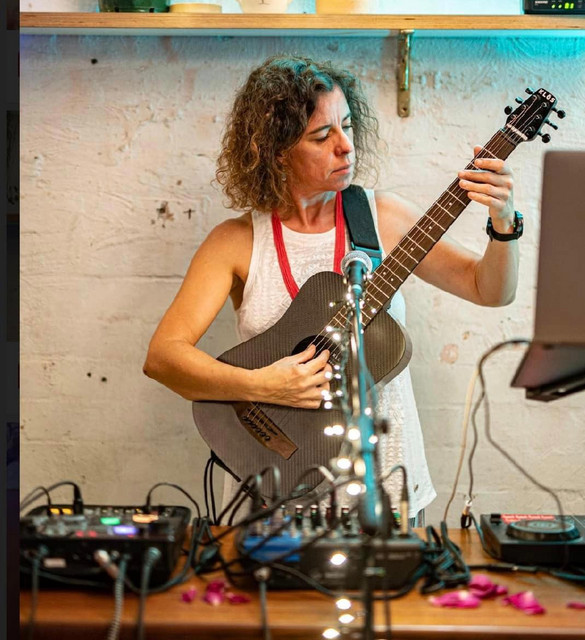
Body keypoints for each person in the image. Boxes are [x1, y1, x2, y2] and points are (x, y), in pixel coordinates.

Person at [143, 55, 520, 523]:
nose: (346, 146)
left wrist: (505, 222)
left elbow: (490, 290)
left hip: (384, 492)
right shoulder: (236, 241)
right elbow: (163, 357)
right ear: (276, 151)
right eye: (322, 136)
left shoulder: (382, 217)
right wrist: (264, 385)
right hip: (271, 494)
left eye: (348, 126)